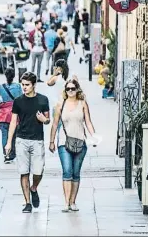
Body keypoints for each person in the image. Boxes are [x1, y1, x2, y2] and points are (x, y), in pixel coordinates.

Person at [5, 72, 50, 213]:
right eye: (22, 85)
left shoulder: (43, 100)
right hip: (21, 140)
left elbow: (47, 119)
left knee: (38, 171)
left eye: (27, 85)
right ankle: (27, 202)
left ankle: (34, 188)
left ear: (34, 85)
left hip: (37, 140)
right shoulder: (18, 101)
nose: (24, 87)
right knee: (24, 172)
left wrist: (44, 120)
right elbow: (13, 122)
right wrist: (8, 142)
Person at [49, 79, 96, 212]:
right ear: (65, 90)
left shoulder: (83, 104)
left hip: (80, 141)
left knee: (76, 173)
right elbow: (54, 124)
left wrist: (94, 136)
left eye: (72, 89)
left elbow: (88, 122)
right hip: (64, 142)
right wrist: (52, 141)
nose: (70, 91)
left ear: (77, 90)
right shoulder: (60, 105)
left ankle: (73, 201)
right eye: (68, 89)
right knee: (67, 171)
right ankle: (66, 202)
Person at [0, 68, 22, 164]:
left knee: (4, 135)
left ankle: (6, 154)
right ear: (14, 76)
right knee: (13, 135)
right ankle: (12, 154)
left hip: (3, 115)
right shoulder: (18, 86)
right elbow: (20, 99)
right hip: (14, 114)